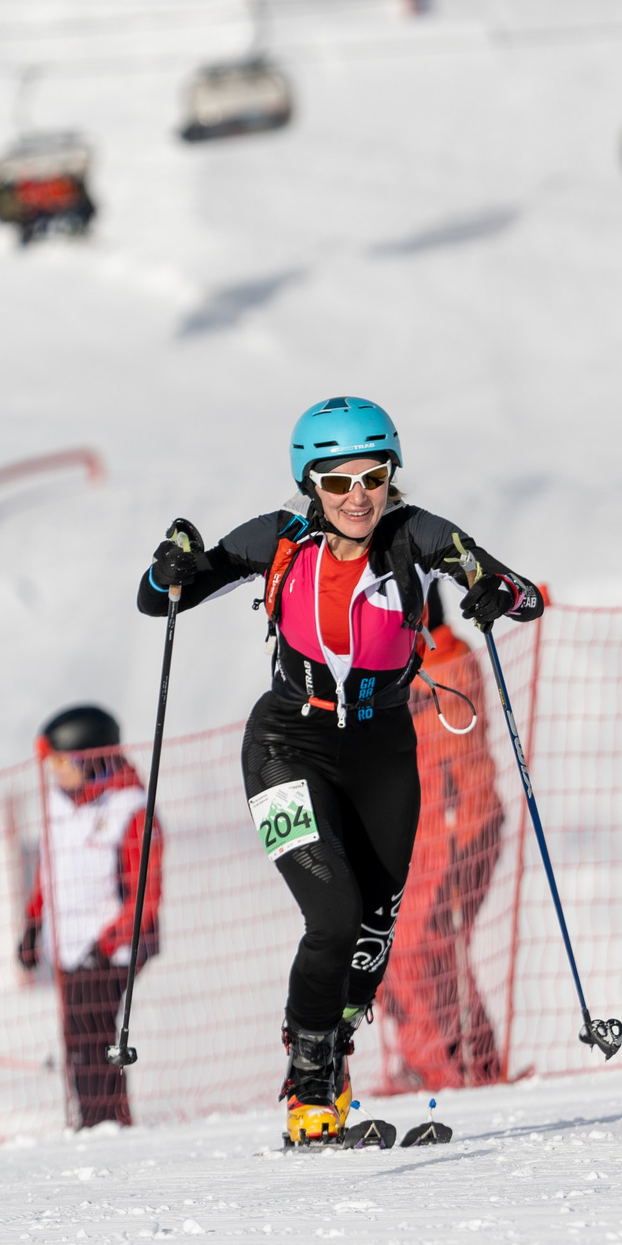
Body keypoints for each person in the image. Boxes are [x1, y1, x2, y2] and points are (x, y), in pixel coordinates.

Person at [137, 395, 544, 1145]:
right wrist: (171, 565)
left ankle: (335, 1059)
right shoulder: (280, 541)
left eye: (374, 476)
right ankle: (309, 1094)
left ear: (393, 475)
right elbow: (158, 599)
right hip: (287, 745)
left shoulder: (419, 536)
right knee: (332, 916)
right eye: (337, 481)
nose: (358, 496)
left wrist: (496, 593)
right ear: (310, 484)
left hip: (384, 750)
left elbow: (524, 598)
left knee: (375, 930)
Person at [16, 704, 161, 1130]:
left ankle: (108, 1123)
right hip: (71, 945)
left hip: (112, 948)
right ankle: (93, 1122)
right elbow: (49, 871)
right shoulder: (60, 806)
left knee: (94, 1032)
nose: (56, 774)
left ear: (91, 758)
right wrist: (33, 924)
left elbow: (145, 893)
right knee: (77, 1037)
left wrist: (110, 942)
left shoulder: (129, 808)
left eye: (63, 763)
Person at [380, 624, 508, 1090]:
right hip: (418, 838)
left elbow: (450, 732)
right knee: (393, 949)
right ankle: (436, 1061)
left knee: (424, 947)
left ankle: (455, 1066)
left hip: (461, 829)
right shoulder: (391, 669)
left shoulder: (443, 659)